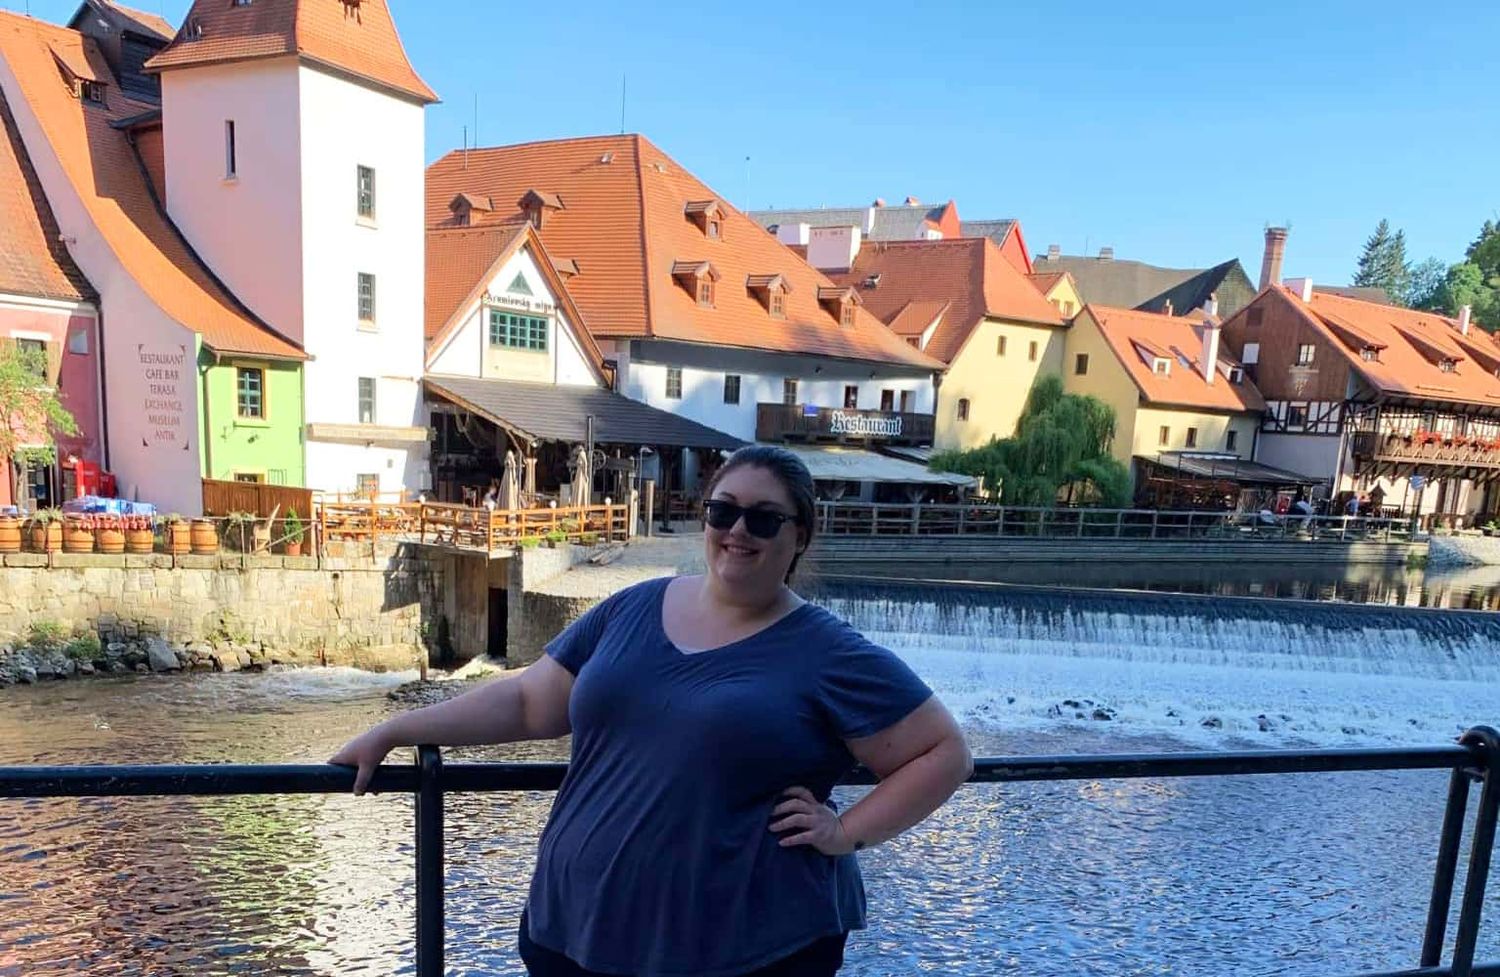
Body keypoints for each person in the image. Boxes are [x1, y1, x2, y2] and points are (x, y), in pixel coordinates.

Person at [330, 445, 972, 977]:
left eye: (764, 519)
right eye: (723, 511)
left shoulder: (827, 651)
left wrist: (846, 831)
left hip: (741, 948)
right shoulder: (633, 607)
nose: (738, 530)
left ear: (799, 534)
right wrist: (396, 729)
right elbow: (528, 701)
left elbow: (945, 753)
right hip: (575, 927)